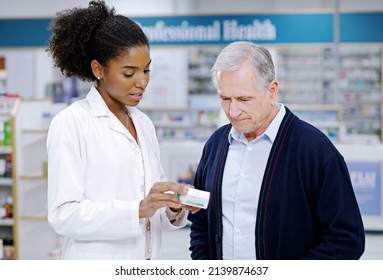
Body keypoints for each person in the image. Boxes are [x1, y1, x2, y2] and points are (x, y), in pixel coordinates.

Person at [46, 0, 198, 260]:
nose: (142, 82)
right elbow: (63, 215)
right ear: (98, 69)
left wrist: (170, 208)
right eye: (129, 73)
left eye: (146, 70)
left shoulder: (143, 124)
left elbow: (152, 213)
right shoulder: (72, 122)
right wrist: (138, 209)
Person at [188, 41, 365, 260]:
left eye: (244, 99)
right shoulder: (216, 144)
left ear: (272, 91)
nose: (233, 111)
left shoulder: (315, 151)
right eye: (225, 98)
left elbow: (347, 240)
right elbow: (200, 220)